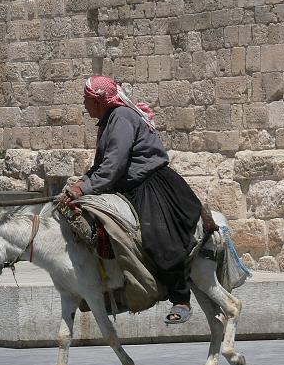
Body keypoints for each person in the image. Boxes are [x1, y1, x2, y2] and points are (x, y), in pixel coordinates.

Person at [64, 75, 203, 324]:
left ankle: (180, 298)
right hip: (124, 186)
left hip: (150, 185)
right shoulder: (109, 121)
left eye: (87, 101)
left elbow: (115, 164)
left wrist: (86, 188)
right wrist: (82, 183)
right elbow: (103, 165)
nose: (84, 106)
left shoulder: (121, 118)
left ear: (100, 101)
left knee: (159, 239)